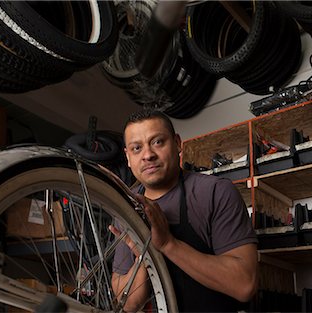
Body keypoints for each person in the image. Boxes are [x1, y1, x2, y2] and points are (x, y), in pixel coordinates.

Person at [109, 109, 258, 312]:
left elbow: (244, 285)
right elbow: (127, 305)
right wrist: (145, 257)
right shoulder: (126, 206)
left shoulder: (214, 192)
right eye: (137, 148)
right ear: (128, 157)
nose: (148, 155)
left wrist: (168, 244)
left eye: (158, 142)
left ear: (177, 143)